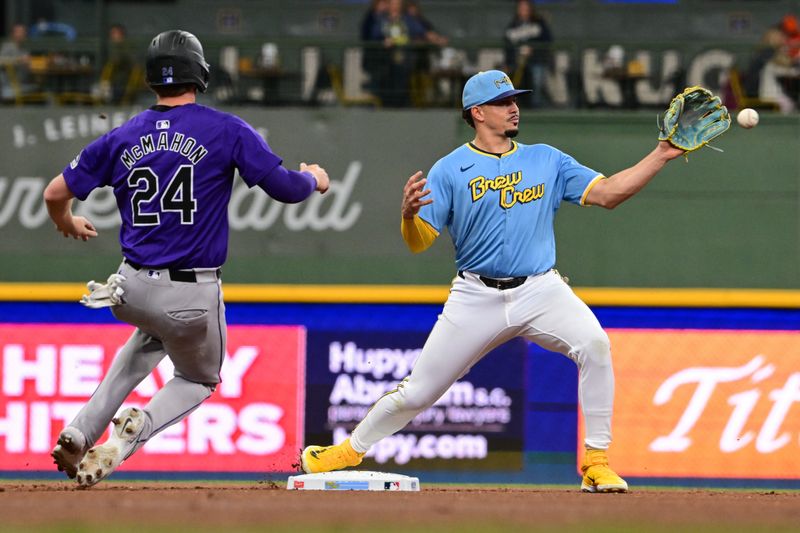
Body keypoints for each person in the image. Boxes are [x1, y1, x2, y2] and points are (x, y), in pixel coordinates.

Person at [301, 70, 686, 493]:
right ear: (478, 112)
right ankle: (348, 451)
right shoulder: (449, 170)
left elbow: (609, 193)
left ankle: (596, 461)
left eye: (515, 99)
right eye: (504, 102)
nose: (514, 107)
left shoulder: (547, 159)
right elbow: (418, 242)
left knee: (594, 345)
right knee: (417, 393)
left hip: (540, 288)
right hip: (475, 296)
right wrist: (409, 215)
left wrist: (661, 155)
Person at [46, 30, 329, 488]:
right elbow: (286, 189)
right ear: (199, 73)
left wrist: (66, 220)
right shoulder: (225, 129)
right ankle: (130, 435)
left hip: (128, 287)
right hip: (189, 293)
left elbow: (54, 193)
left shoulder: (123, 135)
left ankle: (79, 431)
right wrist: (313, 179)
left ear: (151, 78)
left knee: (143, 345)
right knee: (199, 380)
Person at [504, 0, 553, 108]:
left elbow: (547, 41)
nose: (524, 10)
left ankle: (536, 107)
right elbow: (507, 46)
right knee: (512, 84)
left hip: (536, 60)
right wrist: (509, 62)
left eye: (526, 7)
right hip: (517, 63)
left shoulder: (539, 23)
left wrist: (533, 49)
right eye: (521, 8)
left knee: (537, 81)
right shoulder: (513, 26)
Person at [99, 23, 136, 104]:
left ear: (122, 34)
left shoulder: (127, 47)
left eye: (115, 33)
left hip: (124, 79)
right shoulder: (110, 47)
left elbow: (131, 64)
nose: (113, 36)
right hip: (110, 80)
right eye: (111, 34)